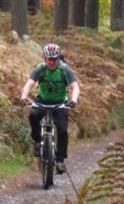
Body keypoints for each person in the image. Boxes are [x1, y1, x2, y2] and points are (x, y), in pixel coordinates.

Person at [19, 43, 80, 174]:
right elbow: (29, 83)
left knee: (63, 131)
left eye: (54, 59)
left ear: (59, 58)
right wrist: (24, 96)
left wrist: (73, 100)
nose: (51, 62)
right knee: (33, 115)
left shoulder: (65, 70)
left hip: (59, 104)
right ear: (44, 58)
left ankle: (60, 160)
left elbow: (75, 86)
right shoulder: (40, 69)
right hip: (42, 102)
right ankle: (37, 141)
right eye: (49, 59)